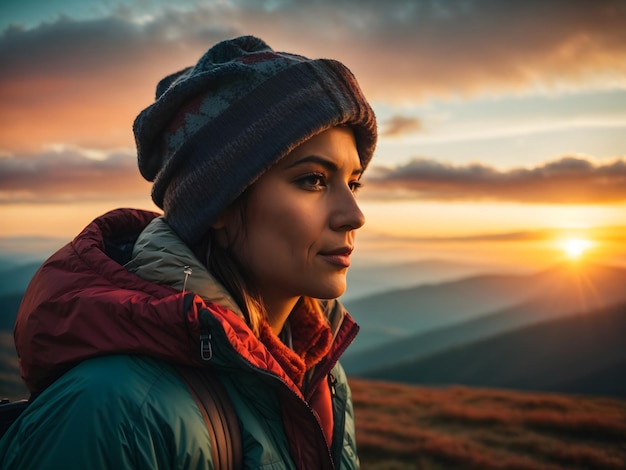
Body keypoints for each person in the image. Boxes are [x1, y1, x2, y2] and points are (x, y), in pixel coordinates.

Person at [0, 35, 376, 469]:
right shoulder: (115, 411)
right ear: (218, 204)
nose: (354, 215)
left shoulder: (318, 374)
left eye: (353, 182)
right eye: (312, 180)